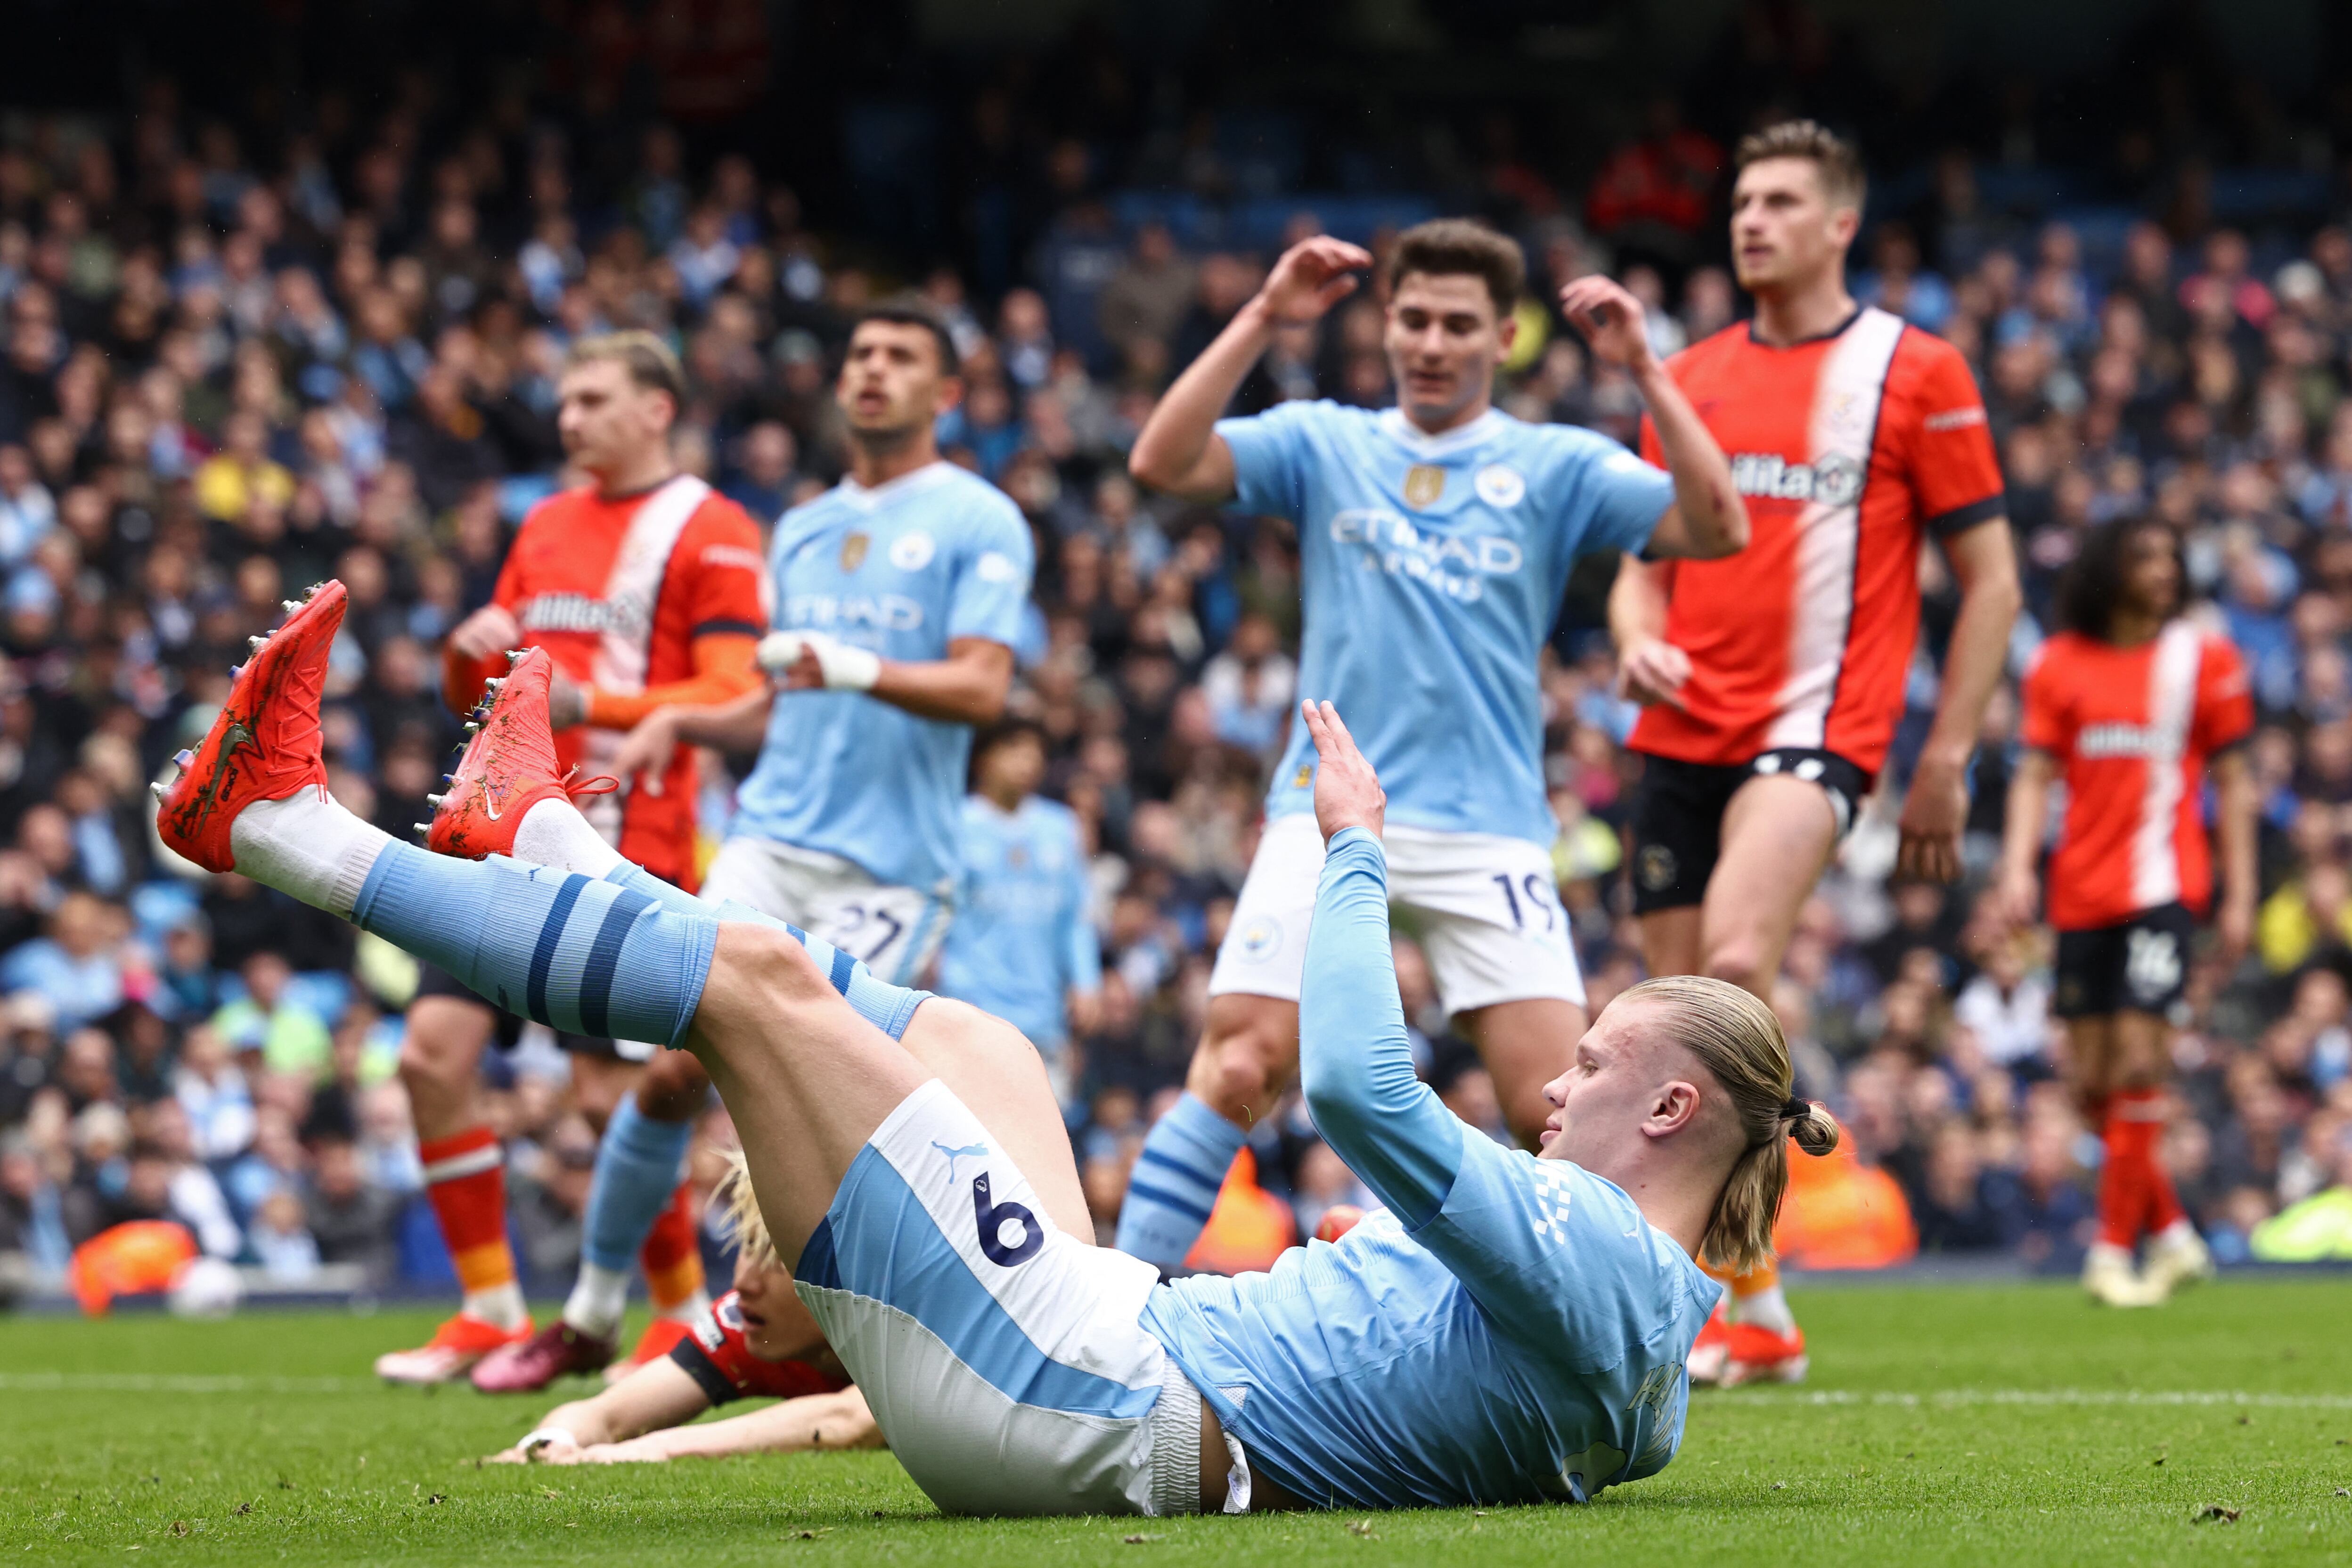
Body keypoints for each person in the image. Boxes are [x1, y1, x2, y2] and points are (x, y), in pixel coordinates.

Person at [155, 593, 1835, 1515]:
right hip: (1114, 1360)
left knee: (749, 978)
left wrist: (1351, 849)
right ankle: (532, 835)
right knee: (981, 1041)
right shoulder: (1634, 1336)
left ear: (1670, 1105)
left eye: (1593, 1059)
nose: (1556, 1076)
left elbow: (1358, 1091)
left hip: (1098, 1398)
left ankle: (287, 829)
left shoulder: (1594, 1255)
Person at [1115, 218, 1749, 1273]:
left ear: (1505, 337)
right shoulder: (1327, 441)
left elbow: (1718, 524)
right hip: (1327, 804)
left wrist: (1646, 366)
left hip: (1488, 822)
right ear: (1385, 322)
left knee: (1559, 1100)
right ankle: (1113, 1307)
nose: (1432, 341)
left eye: (1460, 324)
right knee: (1240, 1062)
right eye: (1414, 318)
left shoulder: (1553, 465)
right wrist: (1267, 314)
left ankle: (1606, 1321)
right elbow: (1162, 459)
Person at [476, 301, 1033, 1391]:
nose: (871, 370)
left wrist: (854, 667)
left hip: (891, 866)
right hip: (771, 835)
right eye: (860, 352)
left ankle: (864, 1332)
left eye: (901, 357)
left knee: (846, 1093)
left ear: (946, 393)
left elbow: (984, 687)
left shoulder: (980, 518)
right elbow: (772, 699)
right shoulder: (807, 526)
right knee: (675, 1070)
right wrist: (689, 718)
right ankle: (592, 1315)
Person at [1608, 120, 2021, 1382]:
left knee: (1734, 966)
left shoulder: (1918, 368)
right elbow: (1640, 554)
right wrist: (1633, 636)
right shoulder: (1693, 373)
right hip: (1678, 726)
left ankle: (1720, 1288)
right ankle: (1754, 1303)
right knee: (1669, 1025)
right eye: (1742, 200)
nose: (1751, 221)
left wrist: (1946, 753)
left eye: (1781, 200)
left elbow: (1992, 579)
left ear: (1842, 223)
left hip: (1815, 727)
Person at [376, 330, 768, 1387]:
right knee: (430, 1057)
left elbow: (736, 690)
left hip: (620, 833)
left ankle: (677, 1305)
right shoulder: (542, 524)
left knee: (608, 1097)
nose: (568, 418)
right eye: (563, 400)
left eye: (592, 398)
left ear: (659, 406)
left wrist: (594, 704)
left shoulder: (712, 526)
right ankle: (487, 1305)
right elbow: (483, 690)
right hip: (494, 828)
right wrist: (472, 646)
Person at [1998, 518, 2255, 1305]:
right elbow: (2034, 775)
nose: (2162, 570)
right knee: (2092, 1088)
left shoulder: (2202, 657)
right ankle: (2173, 1233)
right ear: (2108, 567)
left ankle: (2112, 1252)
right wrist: (2014, 868)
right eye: (2144, 555)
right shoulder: (2056, 663)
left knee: (2142, 1064)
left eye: (2171, 557)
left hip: (2162, 888)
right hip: (2079, 892)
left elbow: (2235, 780)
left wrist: (2239, 891)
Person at [485, 1152, 879, 1465]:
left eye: (776, 1258)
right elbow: (605, 1415)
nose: (743, 1282)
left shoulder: (910, 1318)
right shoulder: (747, 1320)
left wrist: (658, 1448)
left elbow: (851, 1420)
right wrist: (551, 1444)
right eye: (746, 1245)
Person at [937, 719, 1102, 1110]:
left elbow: (1075, 916)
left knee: (1044, 1136)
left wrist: (1086, 980)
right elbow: (937, 914)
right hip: (973, 1006)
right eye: (1014, 749)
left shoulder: (1060, 827)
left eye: (1035, 753)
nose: (1028, 762)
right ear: (983, 758)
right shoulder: (954, 824)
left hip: (1043, 1015)